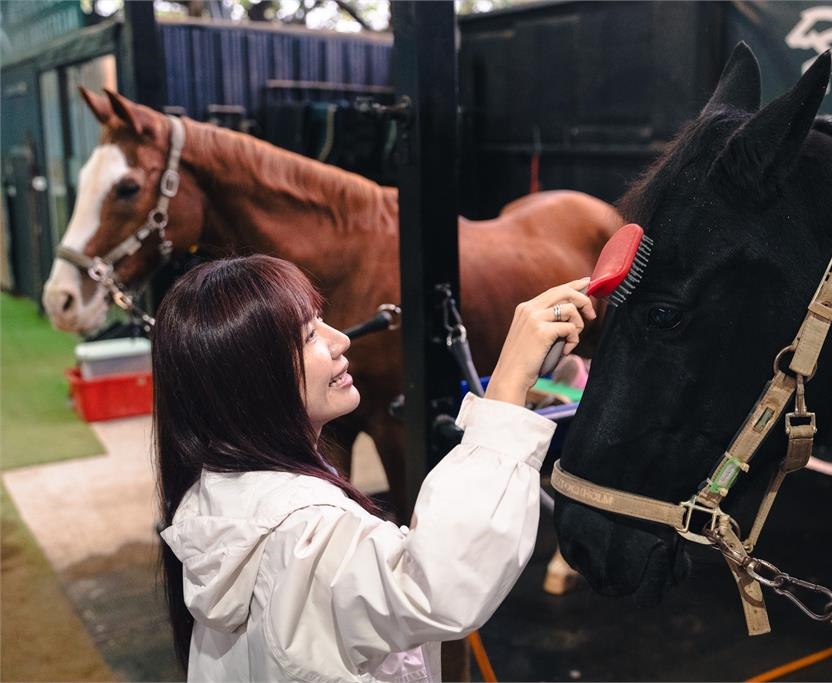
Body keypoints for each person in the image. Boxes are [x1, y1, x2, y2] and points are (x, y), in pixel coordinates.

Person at [154, 254, 595, 682]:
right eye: (309, 335)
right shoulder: (303, 536)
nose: (341, 340)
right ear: (252, 381)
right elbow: (434, 586)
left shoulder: (213, 492)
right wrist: (508, 384)